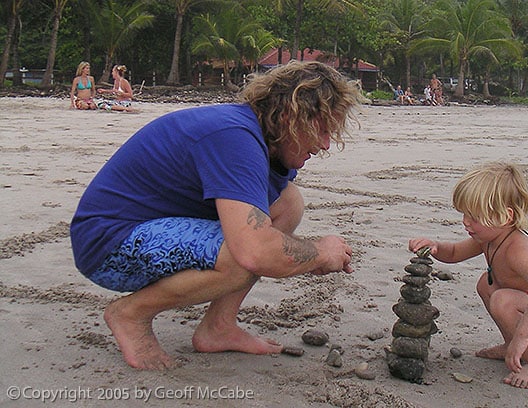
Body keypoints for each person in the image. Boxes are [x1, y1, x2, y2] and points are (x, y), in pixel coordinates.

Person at [70, 60, 360, 370]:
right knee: (243, 255)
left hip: (143, 228)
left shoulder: (263, 141)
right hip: (106, 245)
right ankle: (131, 314)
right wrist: (318, 253)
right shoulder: (235, 137)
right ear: (290, 116)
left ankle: (219, 326)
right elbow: (256, 252)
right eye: (323, 129)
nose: (326, 144)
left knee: (288, 203)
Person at [408, 162, 528, 389]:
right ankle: (510, 344)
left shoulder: (517, 249)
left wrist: (522, 336)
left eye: (474, 217)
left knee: (503, 299)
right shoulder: (489, 238)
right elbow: (453, 252)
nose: (465, 222)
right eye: (464, 214)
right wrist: (433, 246)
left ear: (505, 217)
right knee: (485, 283)